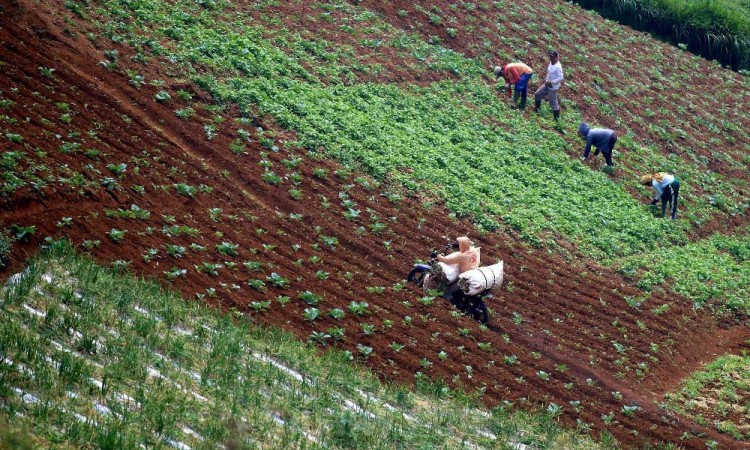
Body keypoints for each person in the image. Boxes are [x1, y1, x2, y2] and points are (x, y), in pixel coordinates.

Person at [534, 50, 564, 124]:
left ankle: (556, 120)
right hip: (547, 84)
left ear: (557, 57)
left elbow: (561, 77)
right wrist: (546, 79)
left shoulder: (558, 67)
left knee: (553, 103)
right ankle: (537, 110)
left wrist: (552, 82)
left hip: (553, 87)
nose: (551, 58)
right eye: (550, 56)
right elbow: (549, 73)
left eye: (553, 57)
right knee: (537, 94)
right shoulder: (551, 63)